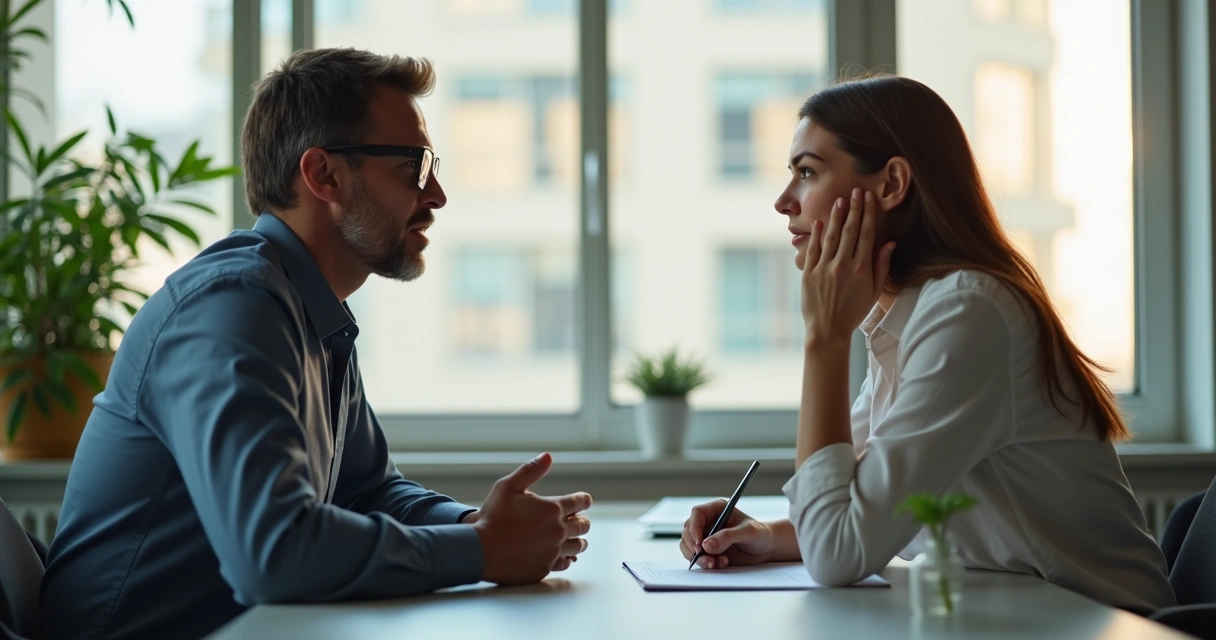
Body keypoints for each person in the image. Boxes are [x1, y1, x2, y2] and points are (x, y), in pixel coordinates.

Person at [38, 48, 593, 640]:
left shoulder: (313, 312)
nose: (436, 195)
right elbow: (273, 554)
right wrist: (482, 550)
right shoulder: (234, 306)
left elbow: (369, 490)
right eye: (412, 167)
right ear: (324, 175)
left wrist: (476, 525)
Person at [679, 74, 1175, 613]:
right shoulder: (908, 316)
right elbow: (858, 509)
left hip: (1108, 623)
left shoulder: (969, 313)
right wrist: (766, 536)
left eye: (807, 172)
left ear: (892, 183)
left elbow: (837, 553)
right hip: (1026, 615)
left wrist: (824, 338)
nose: (783, 202)